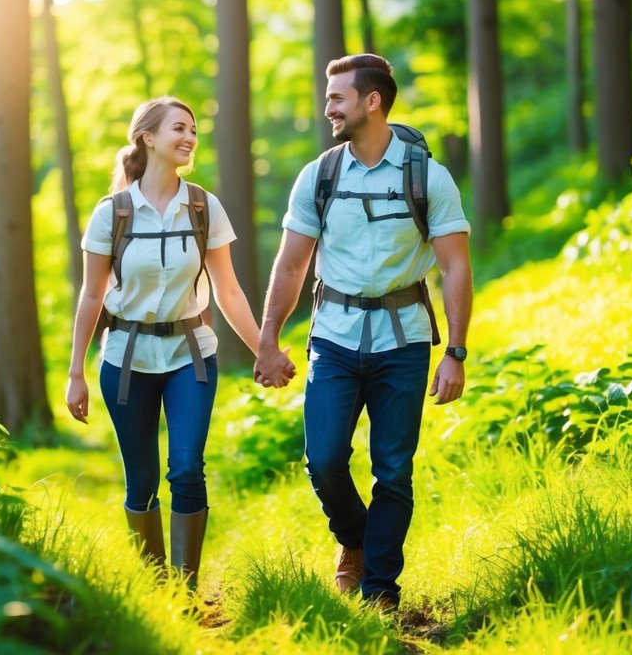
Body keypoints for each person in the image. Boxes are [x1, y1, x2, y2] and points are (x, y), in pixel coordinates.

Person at [254, 53, 472, 611]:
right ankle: (354, 538)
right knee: (324, 460)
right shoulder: (320, 175)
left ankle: (380, 589)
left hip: (403, 343)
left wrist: (455, 352)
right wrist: (268, 337)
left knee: (393, 471)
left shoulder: (427, 176)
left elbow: (455, 267)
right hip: (333, 337)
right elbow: (291, 263)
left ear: (371, 101)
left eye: (337, 98)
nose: (327, 107)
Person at [66, 96, 278, 585]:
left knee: (185, 468)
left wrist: (264, 351)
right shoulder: (112, 214)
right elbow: (91, 294)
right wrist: (76, 373)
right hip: (125, 358)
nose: (189, 138)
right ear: (148, 138)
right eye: (179, 128)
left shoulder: (204, 206)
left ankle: (184, 589)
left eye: (194, 130)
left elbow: (227, 289)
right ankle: (155, 586)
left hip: (191, 355)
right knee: (140, 479)